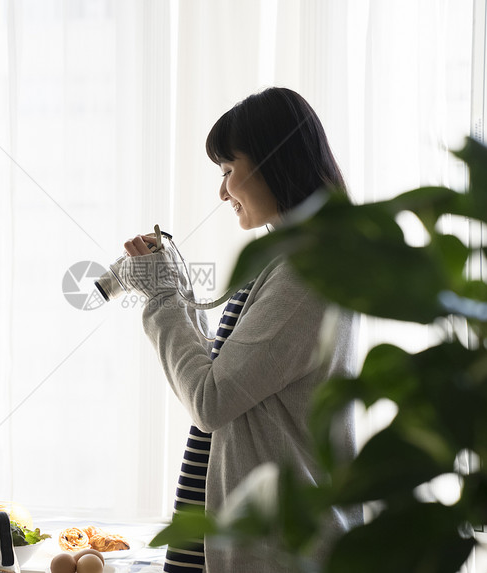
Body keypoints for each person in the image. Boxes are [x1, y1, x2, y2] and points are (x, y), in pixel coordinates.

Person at [118, 87, 362, 572]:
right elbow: (230, 373)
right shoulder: (289, 257)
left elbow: (212, 401)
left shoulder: (308, 269)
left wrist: (164, 297)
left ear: (277, 162)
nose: (223, 192)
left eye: (229, 171)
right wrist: (178, 291)